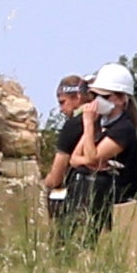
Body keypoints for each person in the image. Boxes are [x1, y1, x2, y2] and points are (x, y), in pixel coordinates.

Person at [63, 62, 137, 238]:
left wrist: (88, 124)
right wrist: (91, 129)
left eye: (105, 96)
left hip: (118, 198)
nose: (98, 101)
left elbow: (92, 157)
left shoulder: (124, 129)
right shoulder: (100, 123)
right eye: (95, 95)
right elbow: (75, 159)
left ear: (121, 99)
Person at [42, 75, 89, 219]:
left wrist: (42, 186)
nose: (61, 109)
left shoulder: (72, 126)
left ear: (77, 97)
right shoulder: (103, 119)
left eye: (63, 102)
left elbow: (56, 176)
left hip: (77, 196)